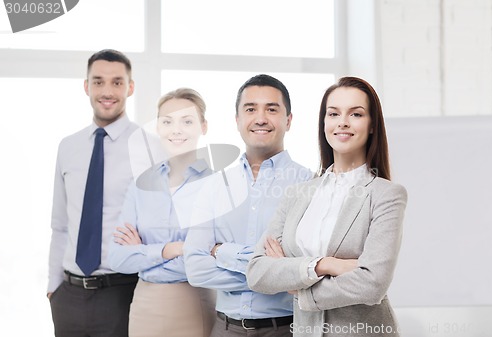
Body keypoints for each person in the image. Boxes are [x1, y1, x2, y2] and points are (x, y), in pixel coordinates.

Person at [246, 76, 408, 337]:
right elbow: (257, 272)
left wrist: (297, 285)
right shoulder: (297, 193)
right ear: (324, 124)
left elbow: (373, 283)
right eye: (333, 113)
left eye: (355, 114)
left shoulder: (386, 195)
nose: (342, 121)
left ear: (371, 126)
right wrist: (323, 265)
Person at [183, 74, 313, 337]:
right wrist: (271, 272)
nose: (261, 118)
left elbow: (306, 269)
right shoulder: (214, 186)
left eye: (272, 109)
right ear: (238, 120)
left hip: (286, 329)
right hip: (225, 329)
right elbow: (195, 268)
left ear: (288, 120)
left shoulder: (311, 184)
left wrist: (222, 252)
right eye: (251, 109)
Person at [108, 88, 215, 337]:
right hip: (144, 306)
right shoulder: (141, 184)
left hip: (193, 304)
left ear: (203, 126)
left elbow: (205, 262)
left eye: (187, 121)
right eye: (167, 121)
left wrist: (143, 253)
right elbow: (117, 258)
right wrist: (172, 249)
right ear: (158, 127)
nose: (176, 130)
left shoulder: (217, 185)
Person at [48, 49, 139, 336]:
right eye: (98, 82)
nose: (107, 91)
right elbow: (60, 224)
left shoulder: (147, 148)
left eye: (117, 82)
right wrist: (53, 287)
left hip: (122, 291)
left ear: (130, 87)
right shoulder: (68, 146)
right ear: (87, 86)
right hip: (68, 295)